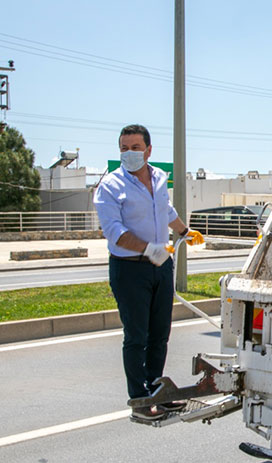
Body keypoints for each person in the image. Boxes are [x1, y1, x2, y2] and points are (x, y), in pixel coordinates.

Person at [93, 124, 204, 422]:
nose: (129, 154)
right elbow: (115, 232)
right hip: (130, 269)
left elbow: (164, 209)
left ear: (149, 150)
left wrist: (185, 231)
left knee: (160, 334)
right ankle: (140, 401)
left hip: (160, 266)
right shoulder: (111, 186)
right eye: (124, 148)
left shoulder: (158, 177)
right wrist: (147, 249)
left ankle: (158, 391)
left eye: (135, 148)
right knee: (136, 336)